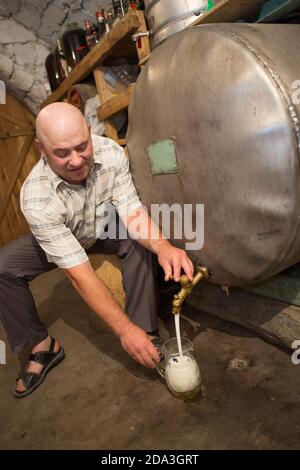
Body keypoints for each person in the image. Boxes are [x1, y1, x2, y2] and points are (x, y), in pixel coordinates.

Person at [0, 102, 194, 398]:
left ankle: (146, 330)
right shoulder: (36, 198)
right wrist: (123, 331)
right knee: (3, 266)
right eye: (62, 153)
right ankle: (41, 344)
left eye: (82, 146)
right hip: (63, 237)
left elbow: (131, 211)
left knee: (135, 236)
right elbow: (80, 275)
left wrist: (163, 246)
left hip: (102, 228)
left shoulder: (111, 153)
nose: (76, 161)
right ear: (41, 148)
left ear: (89, 133)